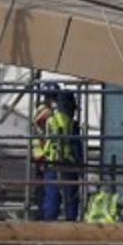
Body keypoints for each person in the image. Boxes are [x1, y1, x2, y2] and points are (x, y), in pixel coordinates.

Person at [41, 90, 81, 221]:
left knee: (52, 196)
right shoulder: (71, 123)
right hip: (68, 162)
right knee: (70, 196)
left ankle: (49, 223)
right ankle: (71, 224)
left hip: (51, 162)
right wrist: (80, 163)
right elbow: (76, 145)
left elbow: (44, 141)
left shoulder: (50, 120)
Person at [31, 83, 57, 219]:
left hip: (42, 156)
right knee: (47, 191)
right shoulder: (45, 114)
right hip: (44, 157)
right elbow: (42, 137)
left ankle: (41, 216)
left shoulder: (41, 112)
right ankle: (43, 218)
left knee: (44, 191)